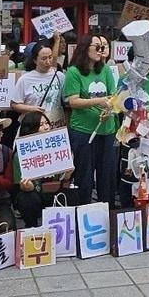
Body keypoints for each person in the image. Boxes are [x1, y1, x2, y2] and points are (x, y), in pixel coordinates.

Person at [64, 33, 118, 204]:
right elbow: (73, 101)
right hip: (83, 130)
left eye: (103, 47)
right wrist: (100, 101)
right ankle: (84, 211)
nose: (101, 51)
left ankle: (106, 210)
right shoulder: (73, 72)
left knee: (107, 175)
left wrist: (109, 108)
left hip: (107, 129)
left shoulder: (106, 70)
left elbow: (113, 96)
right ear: (85, 48)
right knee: (85, 176)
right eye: (97, 47)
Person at [14, 111, 74, 227]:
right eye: (41, 125)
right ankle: (32, 228)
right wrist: (27, 187)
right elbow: (19, 185)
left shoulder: (59, 147)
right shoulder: (20, 154)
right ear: (30, 128)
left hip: (55, 191)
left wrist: (68, 174)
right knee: (27, 198)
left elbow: (64, 180)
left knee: (71, 192)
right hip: (35, 193)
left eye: (47, 123)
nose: (46, 127)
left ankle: (65, 229)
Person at [12, 37, 66, 126]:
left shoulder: (59, 76)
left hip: (55, 124)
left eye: (50, 57)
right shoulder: (25, 79)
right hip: (33, 125)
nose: (48, 62)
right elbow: (15, 104)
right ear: (35, 60)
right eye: (44, 58)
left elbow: (66, 99)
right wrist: (31, 109)